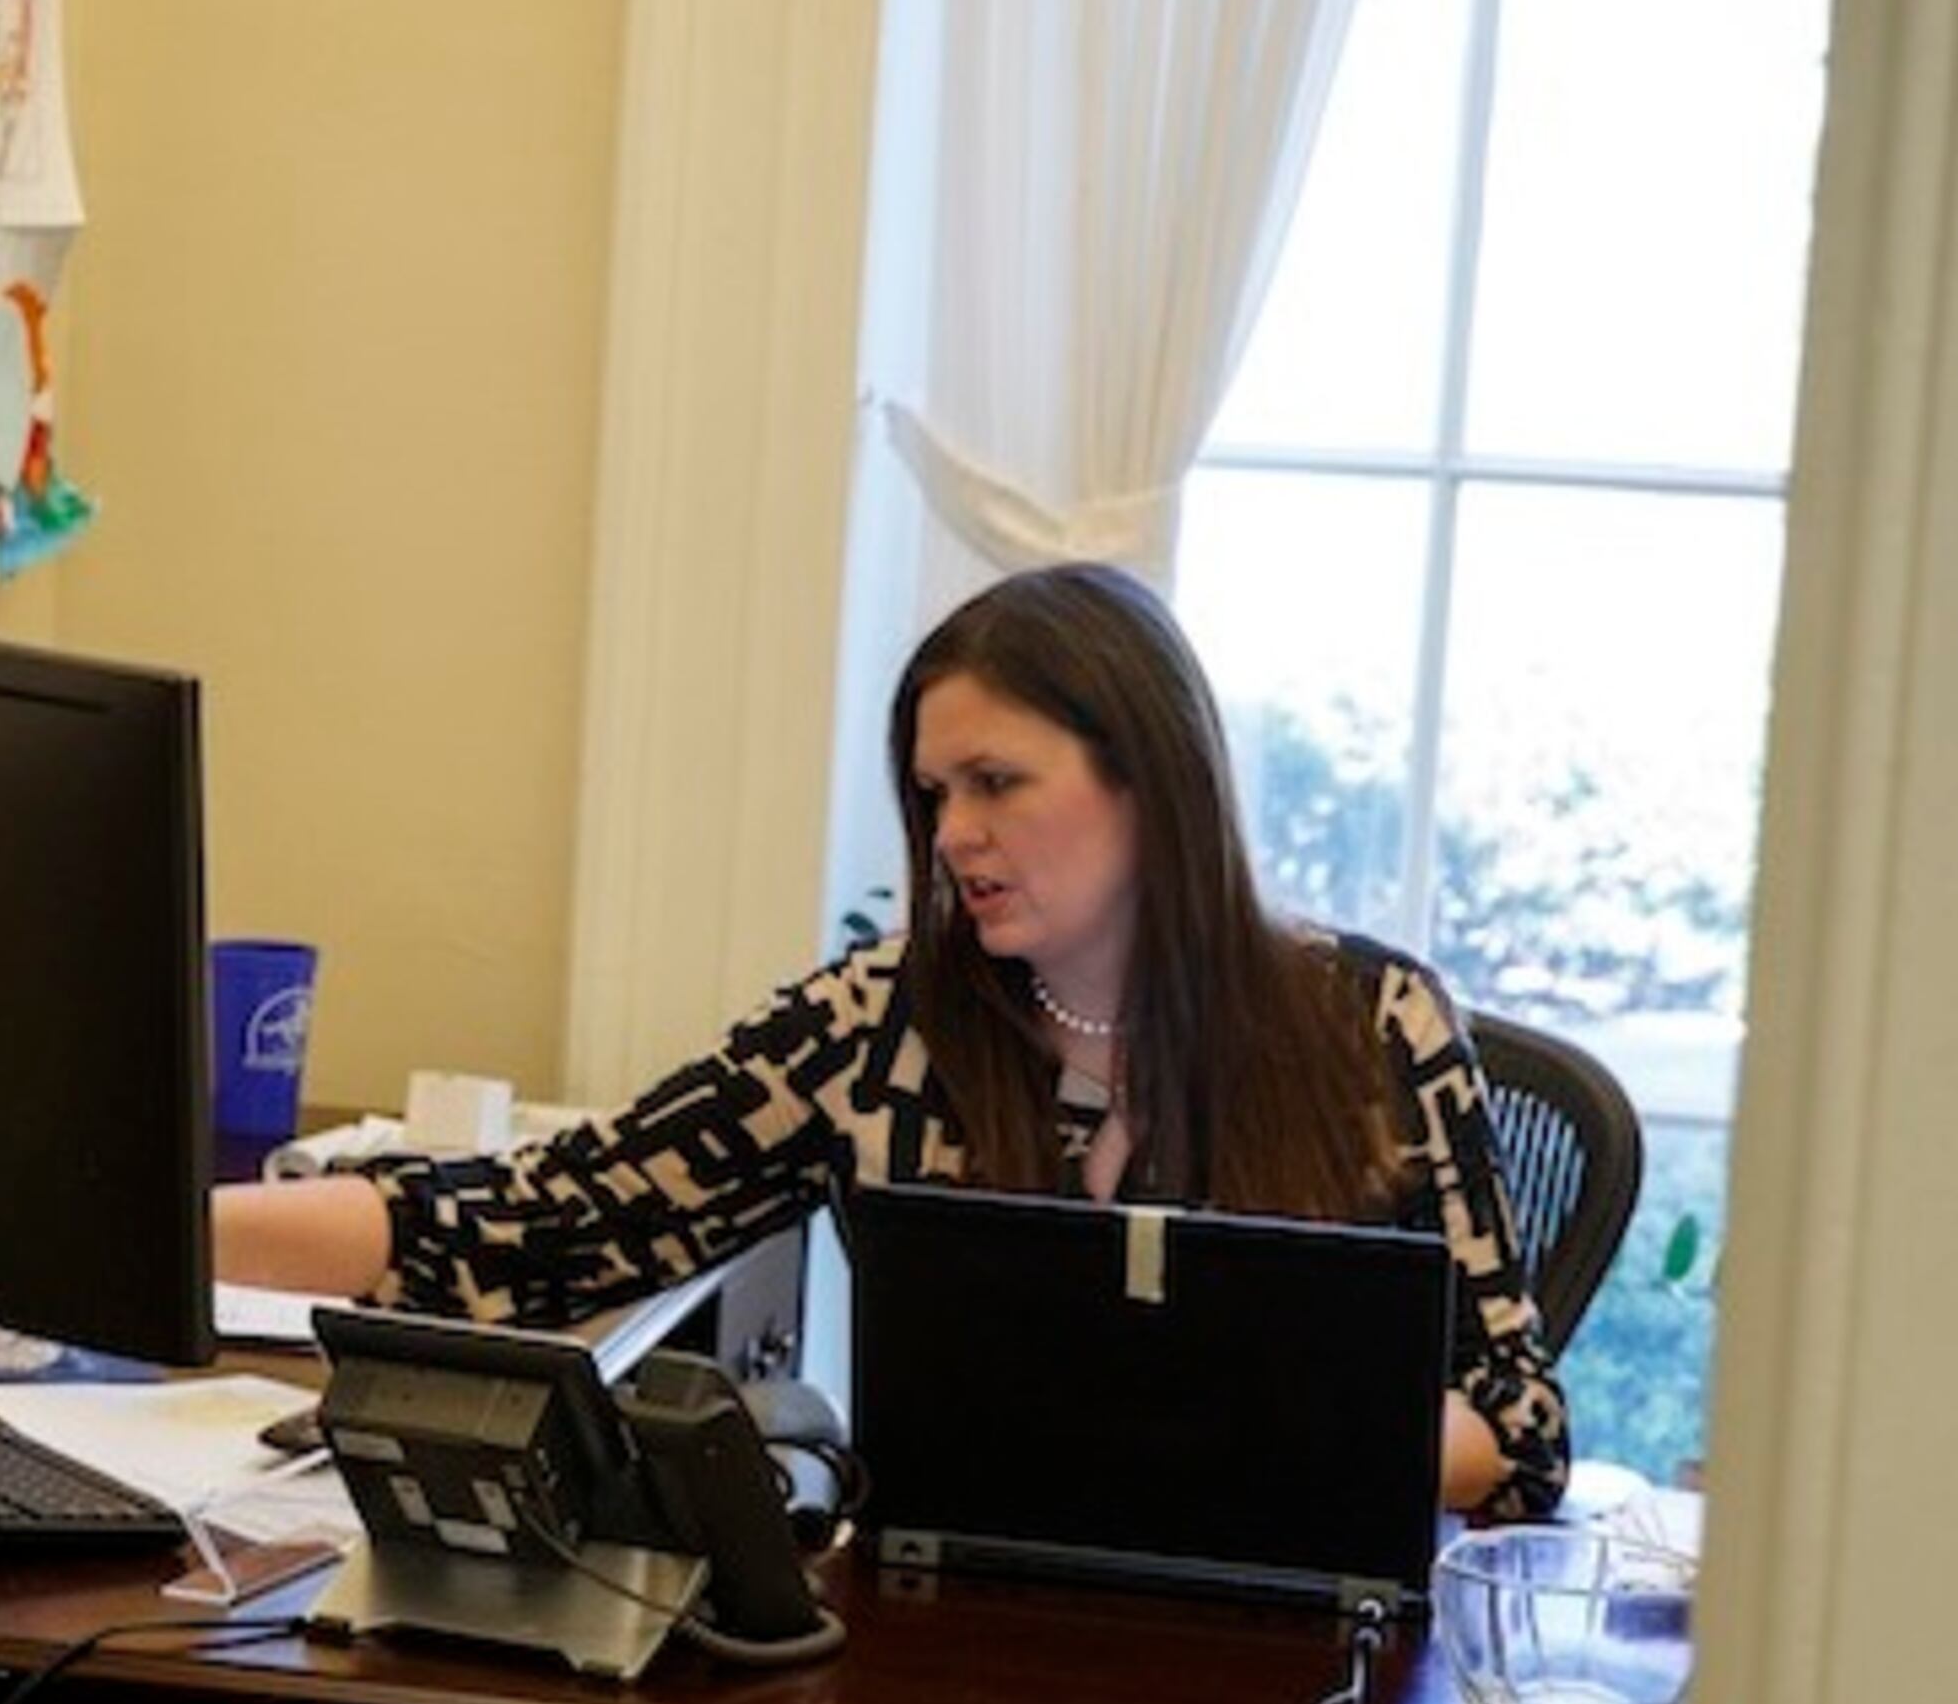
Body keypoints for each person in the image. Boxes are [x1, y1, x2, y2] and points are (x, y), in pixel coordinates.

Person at [215, 561, 1568, 1521]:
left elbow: (1513, 1426)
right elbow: (539, 1222)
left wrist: (1244, 1468)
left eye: (998, 783)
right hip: (963, 1631)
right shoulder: (880, 1026)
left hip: (1293, 1659)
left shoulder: (1373, 1027)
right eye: (934, 793)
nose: (953, 834)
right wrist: (172, 1222)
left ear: (1149, 778)